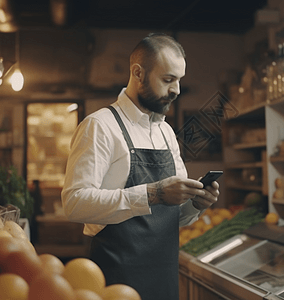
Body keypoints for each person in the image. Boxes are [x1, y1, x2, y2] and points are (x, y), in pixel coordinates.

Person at [61, 33, 220, 300]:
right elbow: (74, 203)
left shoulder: (166, 133)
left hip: (165, 281)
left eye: (179, 80)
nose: (177, 90)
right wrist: (153, 193)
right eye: (168, 80)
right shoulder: (100, 126)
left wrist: (196, 204)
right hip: (116, 280)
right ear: (138, 73)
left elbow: (170, 218)